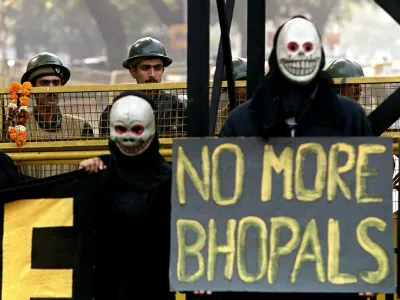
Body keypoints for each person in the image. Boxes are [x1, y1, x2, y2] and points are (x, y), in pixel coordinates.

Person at [214, 15, 375, 300]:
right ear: (277, 55)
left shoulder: (350, 119)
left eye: (307, 48)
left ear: (319, 55)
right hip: (259, 276)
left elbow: (367, 196)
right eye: (292, 47)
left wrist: (367, 265)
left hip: (331, 275)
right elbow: (218, 198)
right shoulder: (241, 122)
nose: (300, 55)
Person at [80, 90, 174, 299]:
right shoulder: (100, 170)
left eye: (137, 129)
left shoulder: (170, 179)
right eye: (121, 129)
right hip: (108, 286)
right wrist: (82, 181)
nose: (130, 138)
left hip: (153, 288)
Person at [19, 52, 94, 178]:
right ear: (31, 88)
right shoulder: (18, 128)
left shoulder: (82, 128)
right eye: (44, 83)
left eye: (56, 83)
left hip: (68, 196)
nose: (52, 89)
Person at [99, 37, 187, 138]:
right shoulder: (114, 112)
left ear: (163, 70)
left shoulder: (178, 107)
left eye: (157, 68)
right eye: (145, 68)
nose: (152, 75)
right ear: (133, 71)